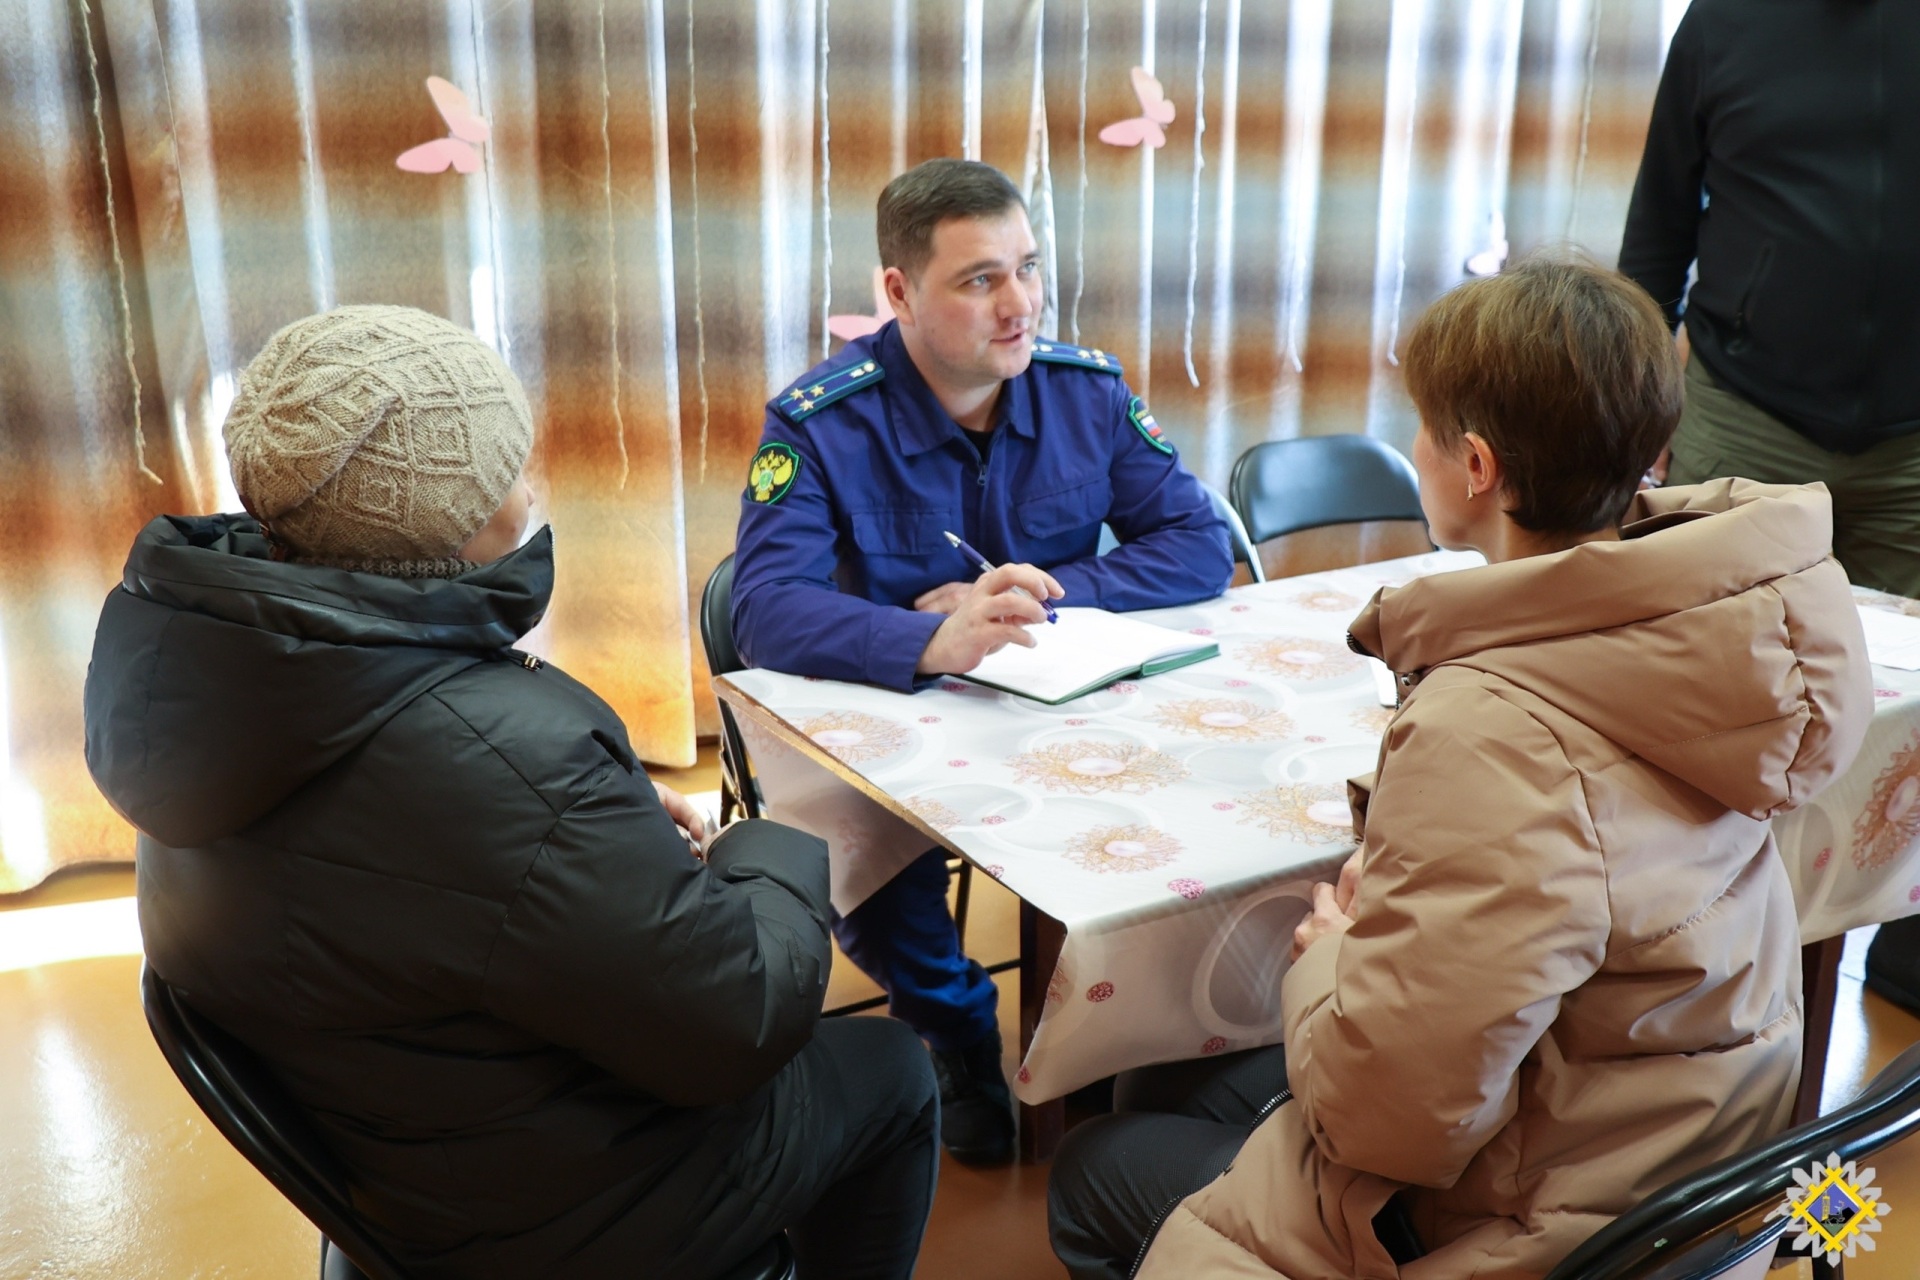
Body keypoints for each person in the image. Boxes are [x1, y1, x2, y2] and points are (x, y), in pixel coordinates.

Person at [1048, 257, 1873, 1279]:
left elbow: (1390, 1124)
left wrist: (1329, 955)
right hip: (1680, 1153)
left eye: (1425, 428)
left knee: (1093, 1167)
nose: (1415, 449)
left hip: (1538, 1222)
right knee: (1172, 1086)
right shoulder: (1724, 632)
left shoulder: (1495, 732)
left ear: (1476, 466)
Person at [84, 306, 938, 1280]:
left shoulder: (203, 673)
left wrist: (590, 834)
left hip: (393, 1154)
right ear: (447, 520)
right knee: (892, 1071)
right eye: (510, 468)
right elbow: (741, 1021)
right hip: (553, 1212)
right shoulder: (505, 758)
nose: (530, 485)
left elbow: (414, 862)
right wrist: (773, 841)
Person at [731, 158, 1235, 1165]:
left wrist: (1046, 592)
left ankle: (1130, 1035)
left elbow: (1198, 543)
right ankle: (959, 1036)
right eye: (980, 279)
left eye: (1028, 268)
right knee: (880, 873)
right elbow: (763, 607)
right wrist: (930, 637)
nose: (1020, 305)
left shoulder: (1085, 392)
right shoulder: (821, 420)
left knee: (1193, 805)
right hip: (900, 712)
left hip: (1060, 702)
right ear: (899, 291)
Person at [1618, 0, 1920, 1032]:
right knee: (1710, 692)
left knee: (1911, 718)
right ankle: (1689, 958)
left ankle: (1900, 956)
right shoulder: (1723, 23)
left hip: (1914, 441)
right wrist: (1630, 411)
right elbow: (1658, 225)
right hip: (1748, 413)